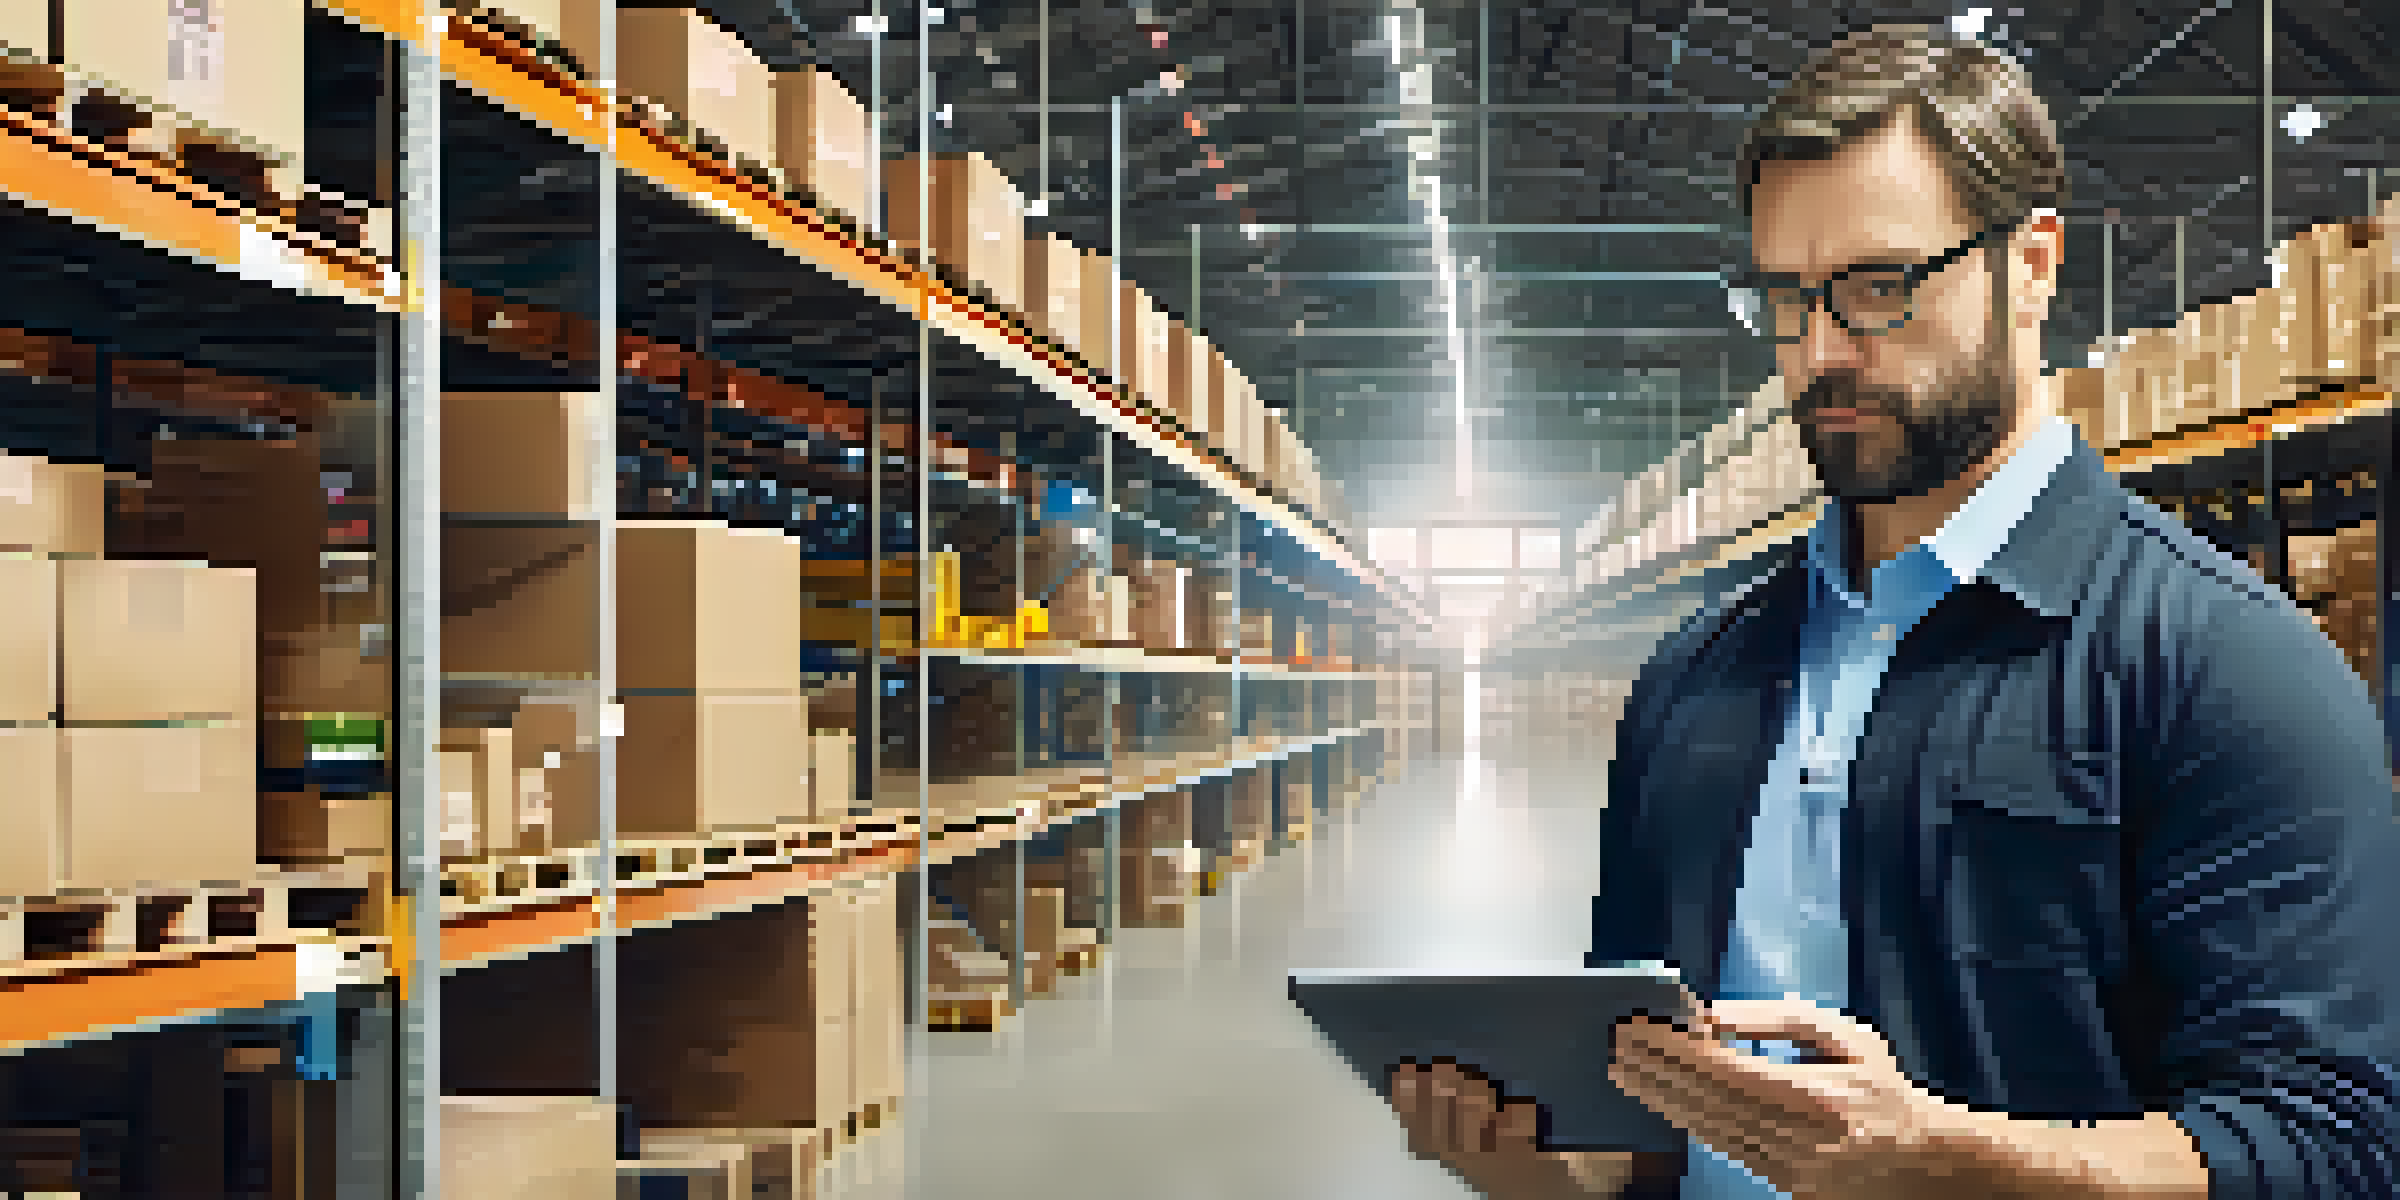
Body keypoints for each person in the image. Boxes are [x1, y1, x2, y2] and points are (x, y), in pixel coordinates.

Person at [1383, 23, 2400, 1200]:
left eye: (1877, 288)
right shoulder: (1693, 680)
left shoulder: (2223, 664)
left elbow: (2339, 1142)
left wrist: (1953, 1162)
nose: (1820, 354)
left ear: (2031, 266)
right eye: (1785, 298)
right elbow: (1636, 1119)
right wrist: (1533, 1169)